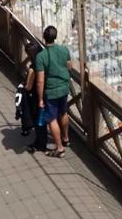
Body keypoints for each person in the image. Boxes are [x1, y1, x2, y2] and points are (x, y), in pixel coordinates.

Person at [35, 26, 71, 158]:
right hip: (64, 87)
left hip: (51, 91)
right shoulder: (64, 49)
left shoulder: (41, 56)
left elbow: (40, 81)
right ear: (55, 36)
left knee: (51, 119)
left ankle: (60, 148)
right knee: (64, 112)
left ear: (44, 38)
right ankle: (66, 138)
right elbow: (69, 66)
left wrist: (40, 99)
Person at [23, 42, 48, 152]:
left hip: (37, 96)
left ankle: (40, 143)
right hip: (49, 92)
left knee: (39, 120)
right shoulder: (46, 62)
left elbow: (28, 87)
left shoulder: (33, 69)